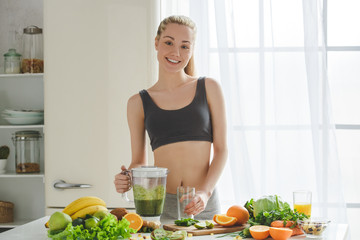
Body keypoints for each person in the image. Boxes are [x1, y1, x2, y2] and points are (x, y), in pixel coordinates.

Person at [114, 15, 228, 222]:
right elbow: (139, 162)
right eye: (168, 42)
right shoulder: (137, 102)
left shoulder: (209, 88)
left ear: (192, 50)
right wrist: (128, 177)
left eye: (185, 46)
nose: (176, 52)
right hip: (160, 205)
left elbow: (221, 150)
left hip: (203, 204)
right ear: (156, 43)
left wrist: (205, 193)